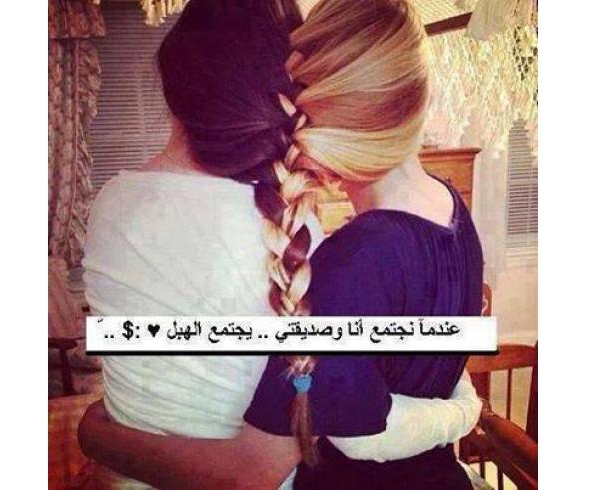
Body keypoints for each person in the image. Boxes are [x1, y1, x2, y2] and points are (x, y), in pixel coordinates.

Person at [79, 0, 483, 489]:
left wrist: (97, 435)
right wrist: (461, 410)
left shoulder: (343, 261)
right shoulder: (453, 213)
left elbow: (273, 465)